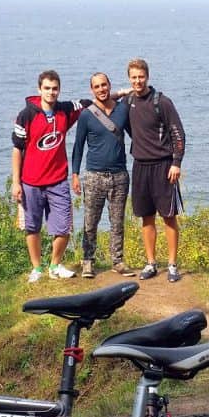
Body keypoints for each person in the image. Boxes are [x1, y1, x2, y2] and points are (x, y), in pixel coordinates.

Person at [11, 69, 87, 283]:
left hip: (58, 181)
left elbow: (91, 102)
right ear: (39, 89)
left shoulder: (65, 110)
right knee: (32, 226)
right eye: (47, 88)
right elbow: (17, 149)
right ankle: (36, 268)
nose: (51, 92)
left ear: (59, 90)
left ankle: (55, 265)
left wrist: (119, 94)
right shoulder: (26, 115)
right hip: (31, 183)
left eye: (55, 89)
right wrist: (16, 183)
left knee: (64, 227)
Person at [124, 58, 186, 282]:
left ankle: (172, 265)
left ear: (147, 77)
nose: (137, 81)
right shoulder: (128, 100)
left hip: (163, 166)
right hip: (140, 166)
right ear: (129, 79)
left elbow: (178, 133)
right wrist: (122, 91)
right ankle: (151, 263)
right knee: (146, 218)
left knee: (169, 217)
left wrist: (176, 162)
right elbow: (104, 101)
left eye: (141, 77)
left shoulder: (162, 102)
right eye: (133, 77)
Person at [71, 72, 135, 279]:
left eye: (104, 85)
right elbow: (78, 146)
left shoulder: (122, 110)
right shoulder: (87, 115)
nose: (101, 89)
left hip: (119, 175)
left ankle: (118, 261)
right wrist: (74, 174)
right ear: (92, 90)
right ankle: (88, 261)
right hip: (94, 175)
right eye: (97, 86)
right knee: (91, 221)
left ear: (109, 86)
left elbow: (137, 134)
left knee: (117, 221)